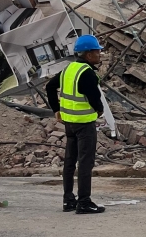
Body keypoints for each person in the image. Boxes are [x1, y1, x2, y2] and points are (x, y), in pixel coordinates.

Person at [45, 35, 106, 215]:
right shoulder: (87, 73)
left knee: (70, 162)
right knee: (86, 163)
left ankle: (68, 200)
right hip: (84, 125)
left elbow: (50, 87)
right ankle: (84, 202)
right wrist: (100, 110)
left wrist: (56, 109)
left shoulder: (69, 69)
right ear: (88, 54)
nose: (100, 54)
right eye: (97, 51)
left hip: (70, 124)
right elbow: (94, 98)